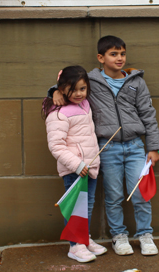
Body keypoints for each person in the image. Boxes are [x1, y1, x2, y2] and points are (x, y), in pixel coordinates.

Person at [48, 35, 159, 256]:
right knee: (113, 196)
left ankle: (145, 235)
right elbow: (70, 82)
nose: (119, 58)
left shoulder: (136, 81)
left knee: (140, 194)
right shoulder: (92, 80)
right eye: (113, 54)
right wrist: (53, 91)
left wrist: (153, 147)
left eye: (122, 54)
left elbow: (148, 115)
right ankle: (118, 236)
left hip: (136, 147)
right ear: (101, 58)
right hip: (107, 149)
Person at [42, 65, 107, 263]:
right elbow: (56, 146)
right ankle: (75, 246)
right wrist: (77, 165)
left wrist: (88, 164)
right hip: (75, 170)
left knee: (86, 207)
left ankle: (84, 239)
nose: (78, 94)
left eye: (82, 88)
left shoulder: (85, 105)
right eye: (73, 89)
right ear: (61, 89)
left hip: (89, 167)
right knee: (75, 208)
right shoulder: (58, 113)